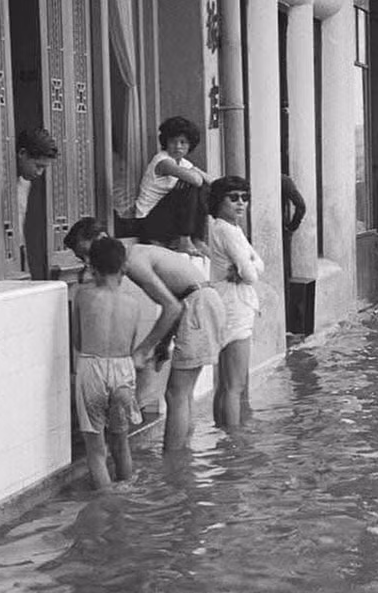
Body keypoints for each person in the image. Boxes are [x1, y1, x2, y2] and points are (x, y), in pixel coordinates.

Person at [65, 217, 224, 452]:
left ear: (100, 239)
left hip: (199, 306)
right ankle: (182, 460)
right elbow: (176, 299)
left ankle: (173, 463)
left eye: (87, 253)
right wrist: (163, 343)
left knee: (175, 394)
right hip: (202, 303)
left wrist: (142, 351)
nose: (88, 263)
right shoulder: (133, 256)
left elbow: (173, 307)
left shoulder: (132, 260)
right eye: (82, 259)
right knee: (183, 393)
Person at [72, 237, 140, 489]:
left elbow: (78, 342)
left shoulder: (83, 296)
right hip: (123, 368)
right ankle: (127, 497)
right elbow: (131, 344)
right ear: (123, 267)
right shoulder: (133, 304)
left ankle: (107, 505)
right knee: (121, 443)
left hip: (92, 368)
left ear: (92, 268)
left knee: (96, 449)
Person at [207, 177, 264, 428]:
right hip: (234, 305)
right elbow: (251, 274)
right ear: (219, 201)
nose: (240, 203)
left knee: (226, 382)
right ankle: (233, 442)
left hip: (229, 301)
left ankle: (224, 434)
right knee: (234, 384)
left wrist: (247, 267)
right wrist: (247, 268)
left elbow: (258, 264)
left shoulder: (231, 229)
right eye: (233, 197)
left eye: (244, 197)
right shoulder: (227, 231)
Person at [133, 116, 214, 255]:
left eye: (183, 142)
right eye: (173, 142)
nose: (178, 146)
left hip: (166, 221)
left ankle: (198, 240)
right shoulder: (163, 161)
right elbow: (196, 181)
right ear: (166, 142)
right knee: (189, 186)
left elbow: (212, 182)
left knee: (202, 189)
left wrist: (196, 171)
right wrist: (195, 173)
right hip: (147, 223)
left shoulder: (182, 162)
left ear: (190, 145)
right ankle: (185, 240)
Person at [15, 129, 58, 273]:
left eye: (44, 168)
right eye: (38, 166)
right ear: (22, 154)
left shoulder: (26, 183)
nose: (39, 173)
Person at [281, 172, 306, 280]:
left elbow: (301, 206)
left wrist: (291, 227)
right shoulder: (283, 180)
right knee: (284, 270)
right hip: (281, 230)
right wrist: (292, 227)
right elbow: (301, 205)